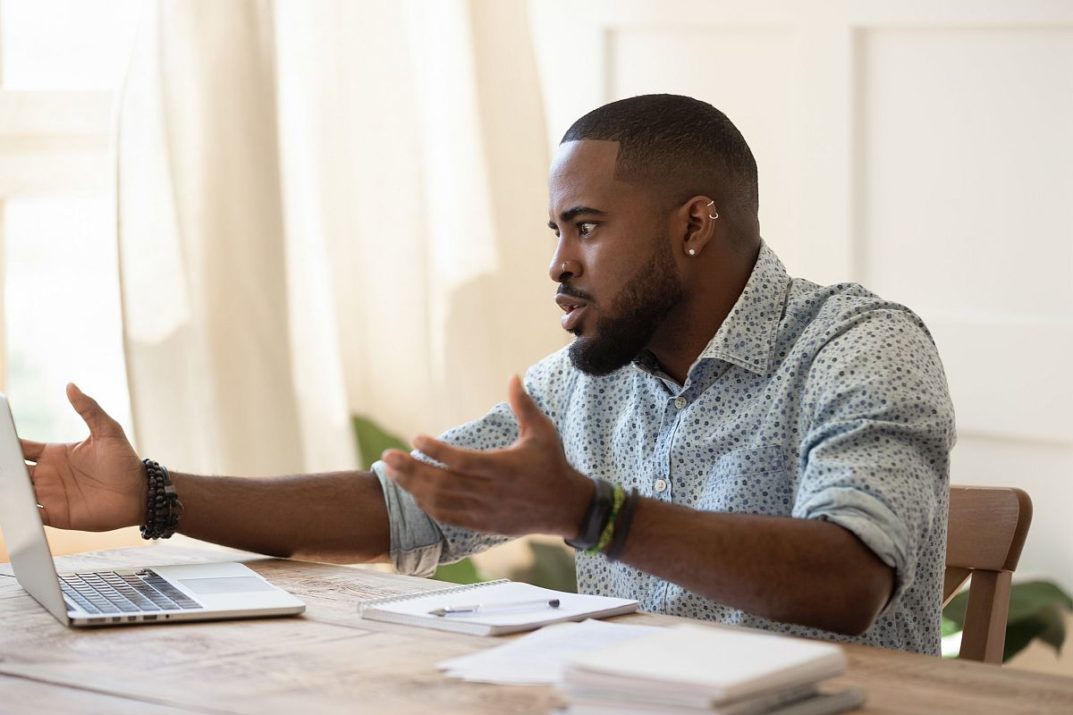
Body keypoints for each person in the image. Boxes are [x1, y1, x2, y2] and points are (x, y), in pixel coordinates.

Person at [21, 94, 954, 654]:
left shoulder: (859, 347)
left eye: (584, 226)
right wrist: (152, 493)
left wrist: (595, 514)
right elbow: (396, 506)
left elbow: (846, 579)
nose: (557, 263)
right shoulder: (585, 382)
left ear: (693, 225)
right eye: (555, 231)